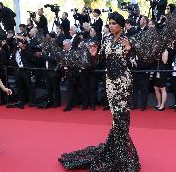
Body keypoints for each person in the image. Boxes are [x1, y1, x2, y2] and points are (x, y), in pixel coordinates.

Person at [58, 12, 141, 171]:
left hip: (123, 81)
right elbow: (101, 58)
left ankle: (121, 152)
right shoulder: (107, 39)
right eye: (109, 23)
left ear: (121, 25)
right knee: (116, 117)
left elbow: (134, 60)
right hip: (110, 81)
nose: (111, 25)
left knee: (121, 116)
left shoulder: (127, 39)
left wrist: (129, 49)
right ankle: (116, 150)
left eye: (114, 23)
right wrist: (95, 55)